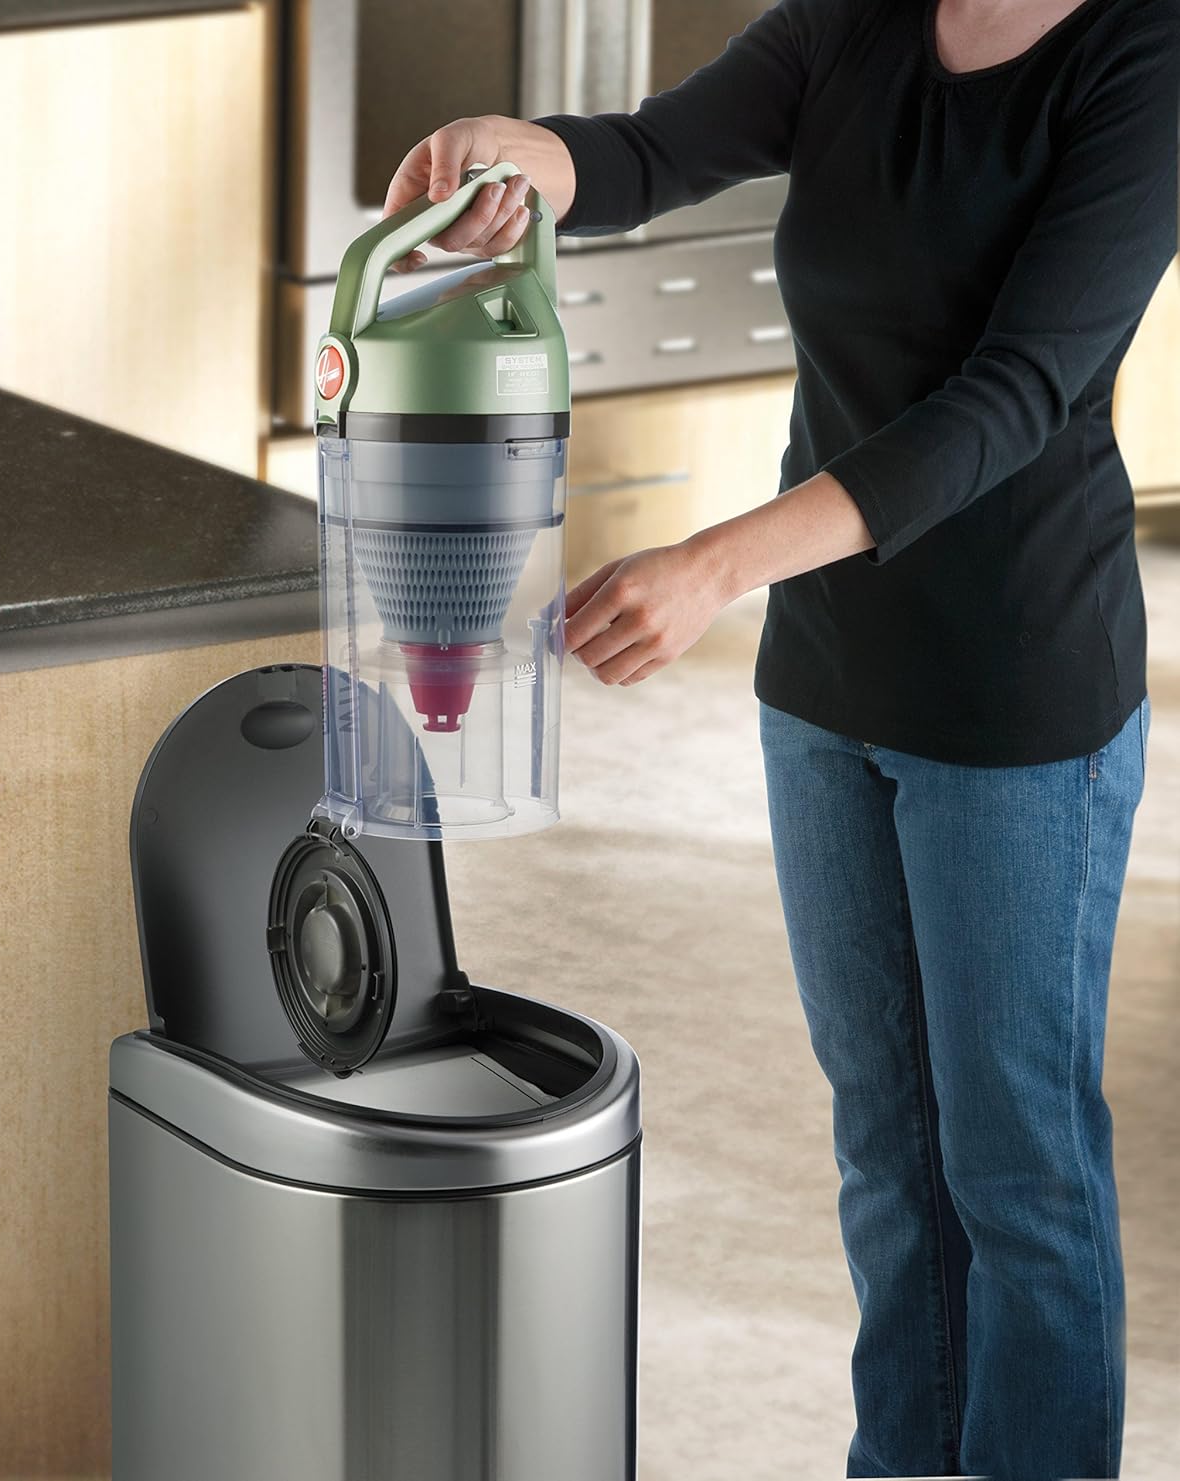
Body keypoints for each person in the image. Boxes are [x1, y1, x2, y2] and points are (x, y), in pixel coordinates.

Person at [383, 1, 1177, 1476]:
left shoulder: (1143, 57)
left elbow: (1010, 397)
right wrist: (530, 158)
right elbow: (650, 152)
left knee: (1017, 1171)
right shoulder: (852, 22)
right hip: (827, 685)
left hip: (1015, 698)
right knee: (888, 1152)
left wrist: (716, 562)